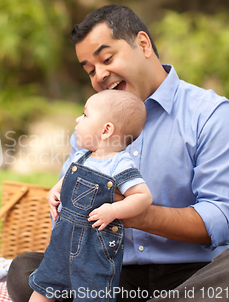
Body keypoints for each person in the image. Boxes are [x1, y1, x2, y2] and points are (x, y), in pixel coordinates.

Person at [7, 4, 229, 302]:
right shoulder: (90, 127)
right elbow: (71, 209)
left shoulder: (212, 116)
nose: (99, 75)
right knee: (26, 270)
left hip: (195, 275)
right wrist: (62, 201)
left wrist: (134, 213)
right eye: (89, 70)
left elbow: (222, 219)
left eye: (107, 58)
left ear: (144, 44)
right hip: (111, 272)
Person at [29, 90, 153, 302]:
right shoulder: (83, 156)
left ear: (106, 130)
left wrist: (113, 210)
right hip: (62, 243)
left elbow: (143, 196)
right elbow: (69, 177)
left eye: (85, 115)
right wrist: (56, 190)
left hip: (94, 250)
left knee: (91, 294)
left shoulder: (119, 164)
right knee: (44, 284)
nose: (78, 119)